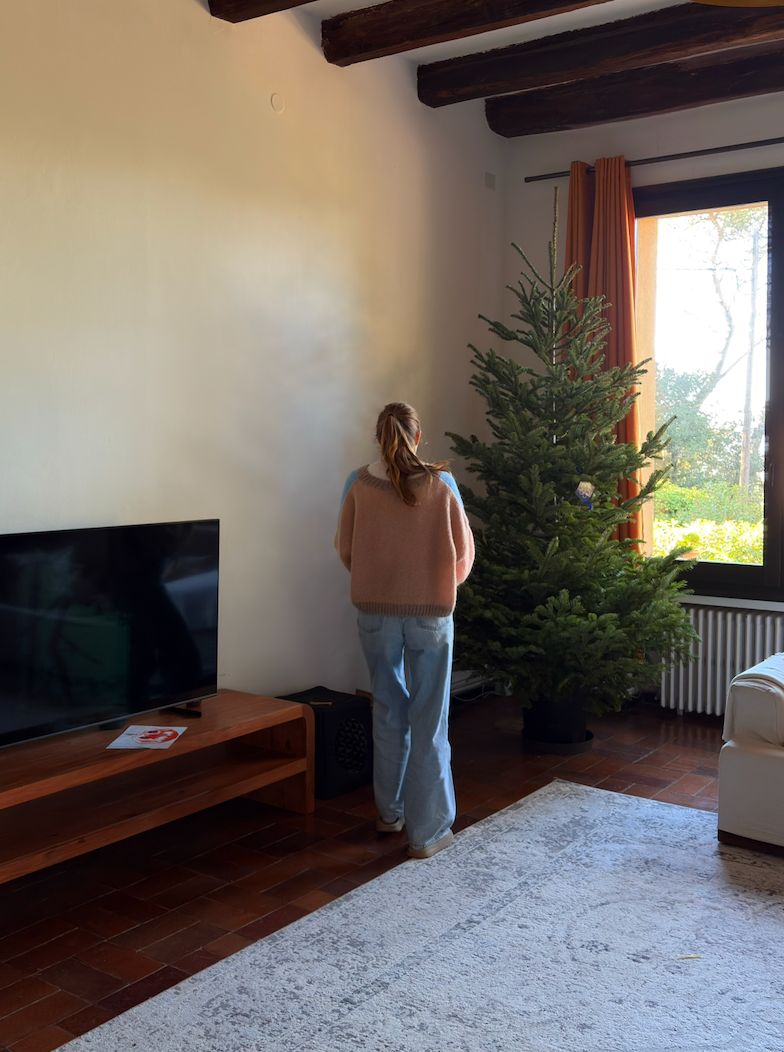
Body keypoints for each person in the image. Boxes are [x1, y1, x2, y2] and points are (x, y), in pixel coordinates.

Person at [335, 402, 474, 859]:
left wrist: (378, 583)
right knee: (429, 719)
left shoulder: (358, 482)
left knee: (387, 709)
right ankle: (428, 834)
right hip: (430, 615)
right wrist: (435, 585)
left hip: (374, 614)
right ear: (417, 436)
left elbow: (345, 548)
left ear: (379, 437)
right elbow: (462, 556)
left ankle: (388, 813)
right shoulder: (442, 484)